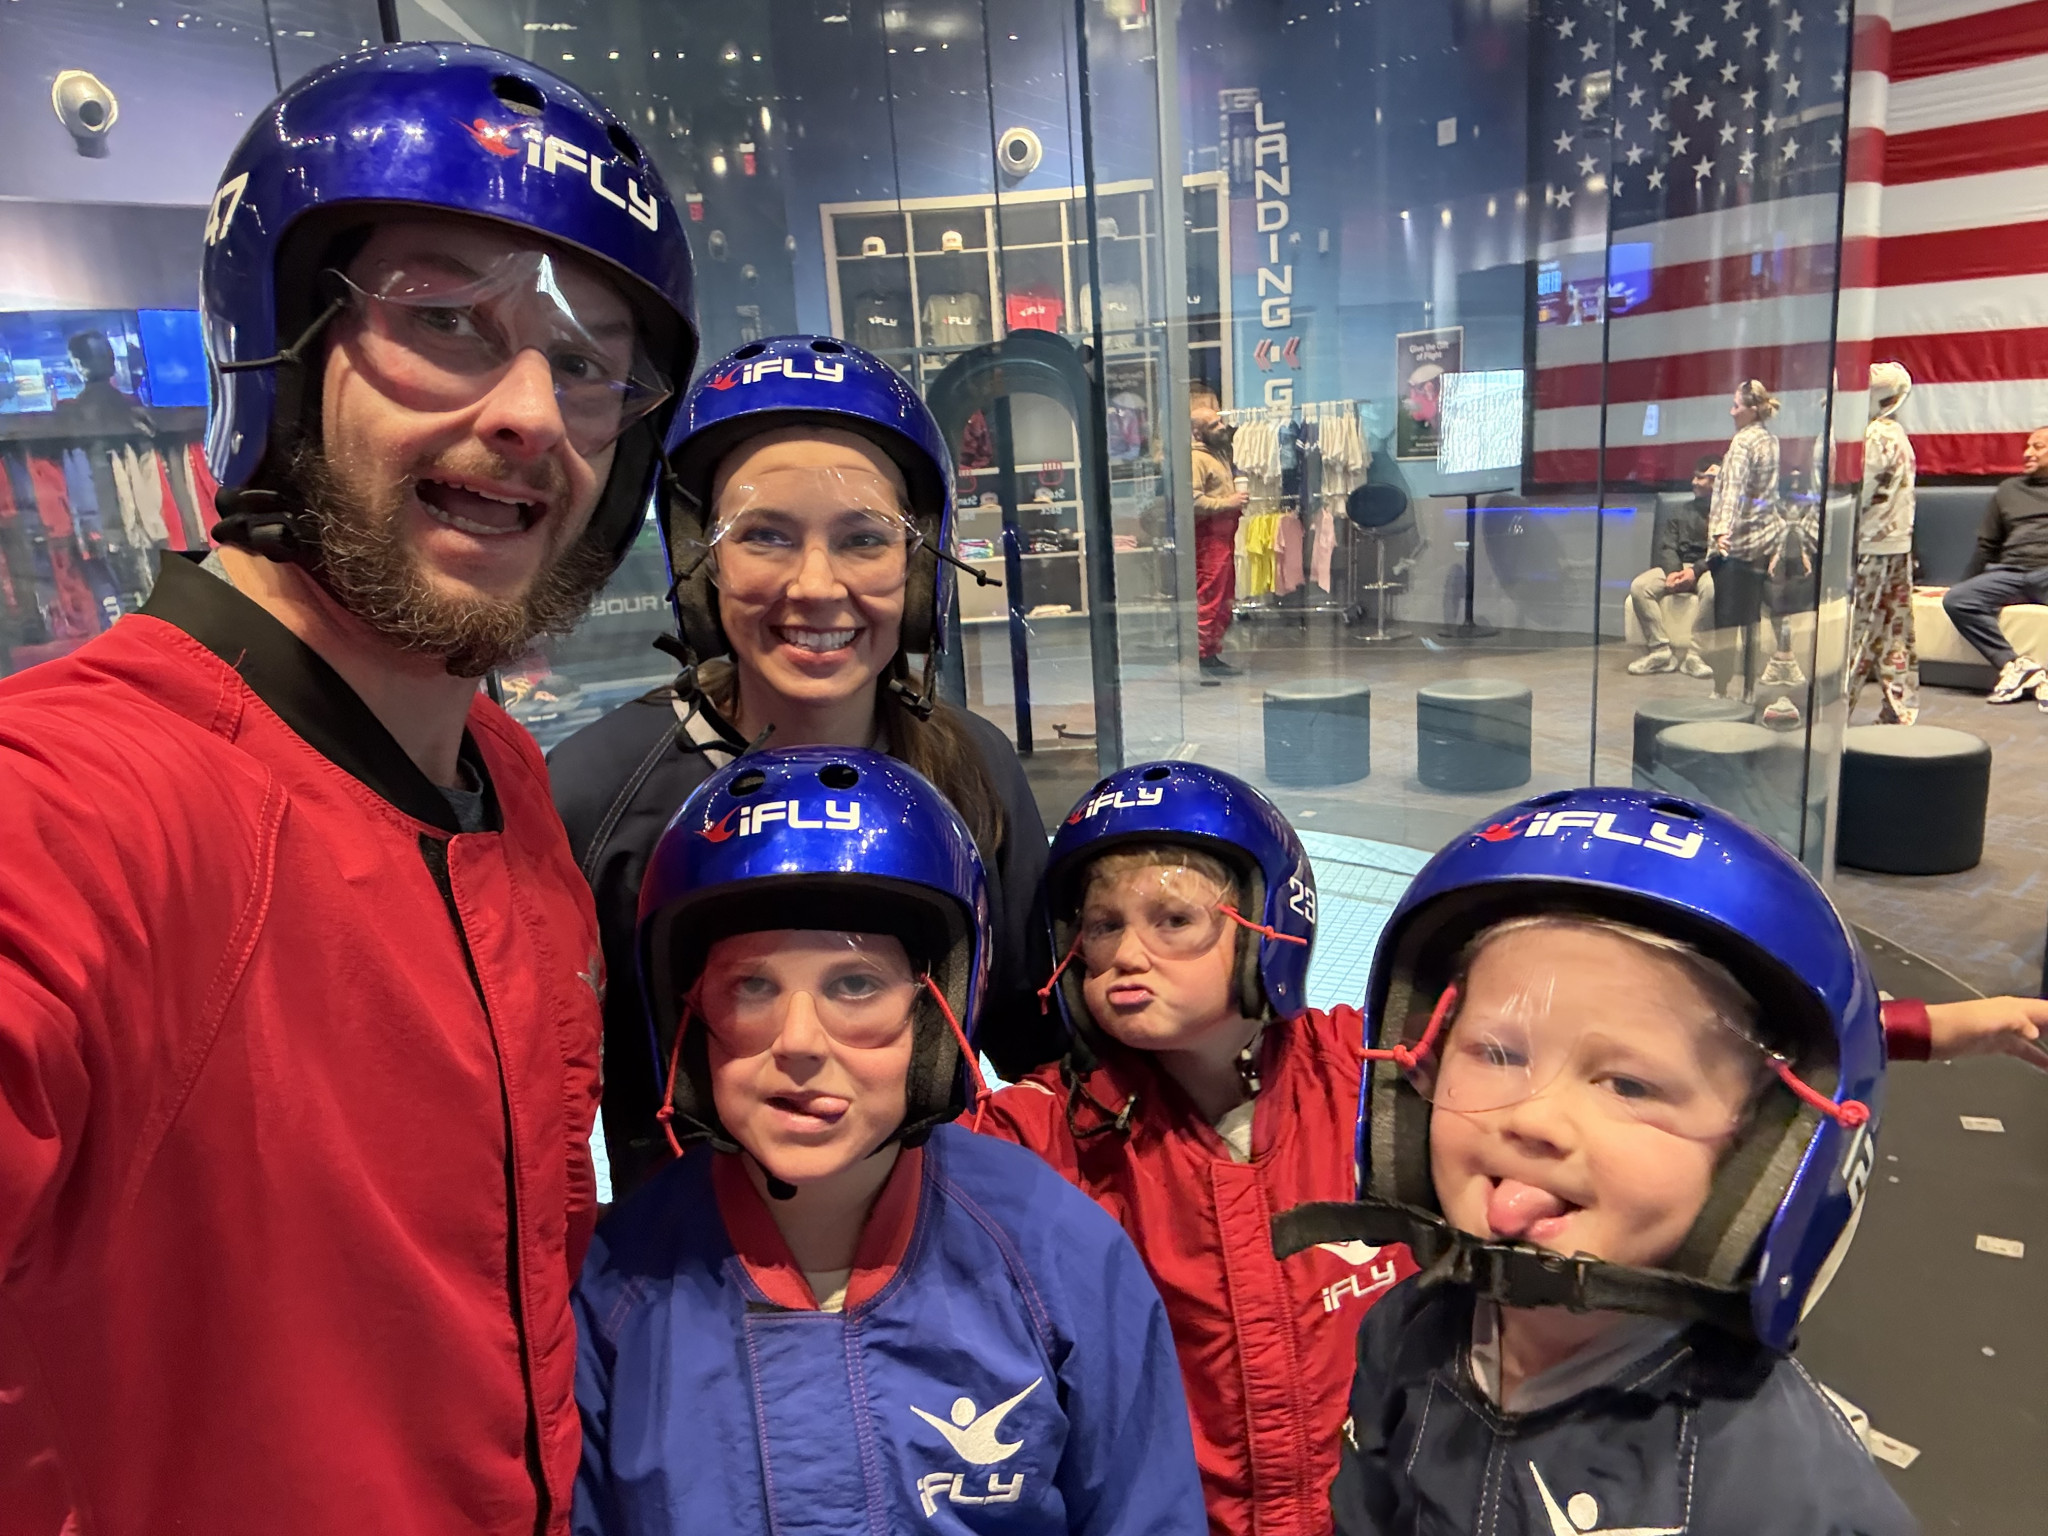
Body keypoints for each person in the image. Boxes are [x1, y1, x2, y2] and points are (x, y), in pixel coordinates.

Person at [0, 46, 697, 1535]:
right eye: (444, 320)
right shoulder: (84, 798)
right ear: (281, 347)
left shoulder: (504, 777)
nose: (532, 412)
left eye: (586, 364)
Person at [571, 746, 1205, 1535]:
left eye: (855, 984)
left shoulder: (1057, 1255)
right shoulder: (617, 1292)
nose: (799, 1043)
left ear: (935, 1014)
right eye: (752, 987)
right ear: (691, 1015)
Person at [1290, 787, 1917, 1535]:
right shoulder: (1406, 1333)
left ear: (1762, 1154)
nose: (1533, 1119)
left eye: (1629, 1085)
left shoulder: (1780, 1485)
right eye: (1497, 1053)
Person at [548, 336, 1053, 1200]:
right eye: (766, 536)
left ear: (919, 568)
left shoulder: (975, 770)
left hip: (932, 1251)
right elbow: (534, 1107)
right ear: (700, 560)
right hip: (687, 1265)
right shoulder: (595, 796)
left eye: (864, 539)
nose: (816, 585)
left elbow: (1041, 1053)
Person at [979, 763, 1419, 1536]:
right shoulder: (1050, 1130)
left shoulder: (1370, 1078)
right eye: (1103, 926)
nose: (1127, 953)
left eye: (1173, 920)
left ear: (1267, 925)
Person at [1940, 425, 2048, 706]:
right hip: (2010, 573)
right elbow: (1987, 545)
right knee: (1959, 600)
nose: (2027, 453)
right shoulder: (2009, 489)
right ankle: (2016, 666)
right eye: (2027, 446)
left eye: (2037, 447)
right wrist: (1962, 583)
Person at [1848, 361, 1922, 725]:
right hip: (1897, 544)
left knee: (1856, 630)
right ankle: (1899, 708)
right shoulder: (1897, 433)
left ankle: (1834, 710)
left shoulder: (1873, 436)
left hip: (1870, 546)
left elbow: (1860, 492)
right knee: (1896, 629)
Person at [1703, 379, 1784, 705]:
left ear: (1751, 409)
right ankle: (1749, 690)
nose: (1731, 411)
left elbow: (1733, 493)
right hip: (1761, 544)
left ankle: (1721, 689)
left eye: (1736, 405)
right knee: (1752, 623)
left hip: (1735, 548)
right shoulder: (1770, 440)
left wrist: (1721, 533)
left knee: (1725, 625)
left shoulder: (1742, 444)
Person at [1626, 454, 1718, 678]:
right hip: (1677, 566)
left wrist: (1694, 571)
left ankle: (1695, 656)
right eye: (1694, 477)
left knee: (1712, 590)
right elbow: (1667, 546)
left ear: (1716, 481)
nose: (1694, 482)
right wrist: (1674, 573)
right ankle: (1660, 652)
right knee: (1640, 587)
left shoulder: (1727, 514)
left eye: (1701, 478)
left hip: (1708, 568)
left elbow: (1720, 552)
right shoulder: (1680, 511)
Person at [1190, 389, 1248, 682]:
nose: (1222, 427)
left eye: (1219, 422)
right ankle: (1200, 658)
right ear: (1197, 433)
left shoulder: (1217, 455)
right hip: (1208, 539)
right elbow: (1192, 501)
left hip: (1222, 538)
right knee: (1209, 599)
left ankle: (1210, 654)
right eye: (1213, 425)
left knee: (1222, 599)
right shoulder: (1196, 460)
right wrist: (1229, 502)